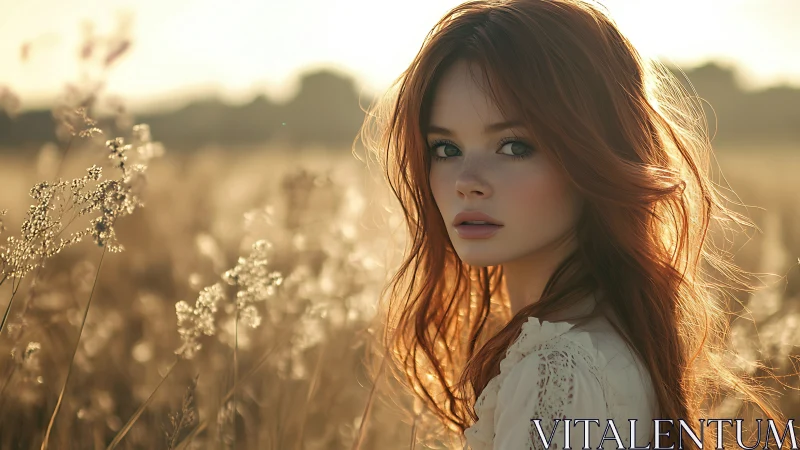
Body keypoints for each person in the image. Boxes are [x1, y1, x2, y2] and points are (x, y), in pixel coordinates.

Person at [355, 0, 791, 448]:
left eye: (513, 146)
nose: (467, 183)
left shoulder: (557, 375)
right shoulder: (606, 338)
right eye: (446, 149)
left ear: (593, 154)